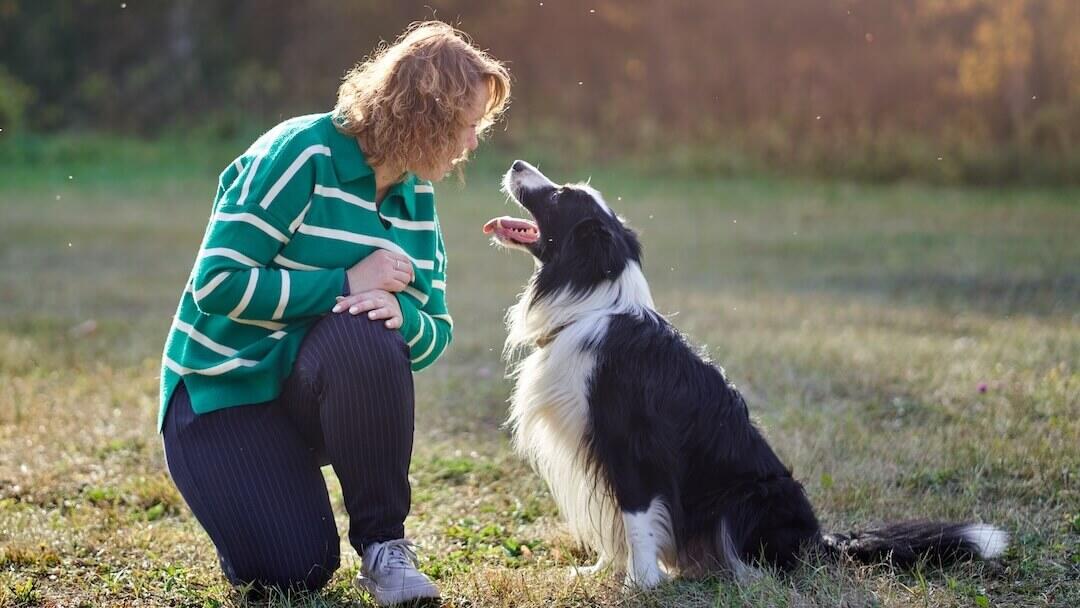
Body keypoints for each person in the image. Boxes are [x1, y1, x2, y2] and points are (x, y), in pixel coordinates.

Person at [157, 21, 509, 604]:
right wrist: (347, 281)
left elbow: (434, 330)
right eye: (465, 126)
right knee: (296, 570)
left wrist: (398, 312)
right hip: (221, 394)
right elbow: (215, 285)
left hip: (303, 391)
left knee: (365, 333)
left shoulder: (415, 196)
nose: (473, 143)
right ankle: (246, 510)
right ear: (424, 116)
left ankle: (384, 548)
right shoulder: (301, 154)